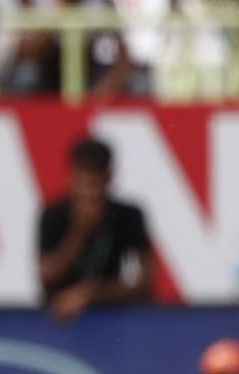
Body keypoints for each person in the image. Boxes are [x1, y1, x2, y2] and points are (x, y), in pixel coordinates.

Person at [36, 136, 155, 322]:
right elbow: (45, 279)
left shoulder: (129, 216)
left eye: (94, 185)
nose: (88, 194)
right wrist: (79, 233)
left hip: (113, 318)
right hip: (60, 320)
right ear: (71, 177)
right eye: (82, 184)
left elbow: (145, 282)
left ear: (108, 178)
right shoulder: (53, 216)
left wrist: (89, 294)